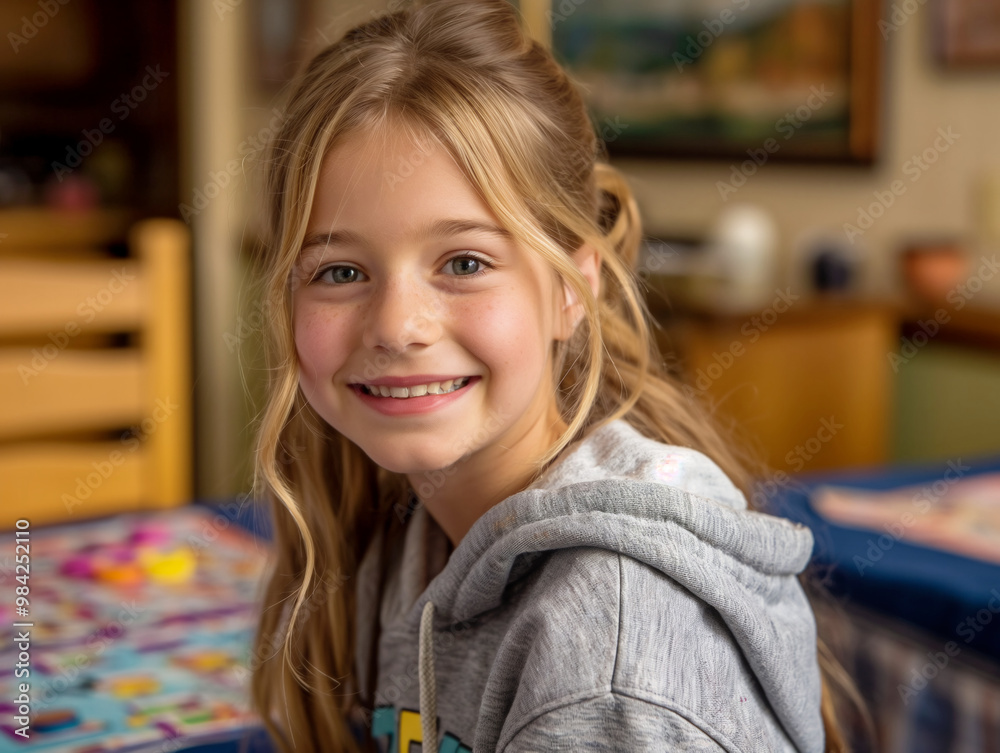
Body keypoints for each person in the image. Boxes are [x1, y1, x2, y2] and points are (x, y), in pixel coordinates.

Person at [247, 1, 862, 750]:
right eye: (340, 270)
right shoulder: (401, 529)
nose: (395, 325)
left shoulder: (606, 671)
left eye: (465, 263)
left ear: (572, 289)